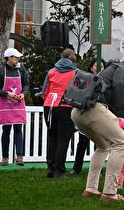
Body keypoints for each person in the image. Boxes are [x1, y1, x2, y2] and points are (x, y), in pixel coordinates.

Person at [71, 62, 124, 202]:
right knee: (122, 144)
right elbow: (120, 110)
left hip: (77, 112)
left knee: (103, 146)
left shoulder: (117, 72)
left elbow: (117, 109)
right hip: (93, 108)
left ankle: (91, 188)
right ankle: (110, 193)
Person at [42, 49, 78, 179]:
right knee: (63, 139)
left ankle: (51, 168)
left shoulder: (51, 71)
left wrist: (49, 99)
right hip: (65, 105)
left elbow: (44, 91)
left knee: (52, 137)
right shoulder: (75, 72)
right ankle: (60, 170)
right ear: (71, 58)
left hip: (49, 105)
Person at [0, 47, 30, 166]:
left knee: (18, 129)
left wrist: (23, 94)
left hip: (18, 103)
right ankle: (5, 157)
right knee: (6, 130)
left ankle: (19, 157)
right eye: (15, 57)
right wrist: (7, 94)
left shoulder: (21, 69)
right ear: (9, 58)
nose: (17, 59)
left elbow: (26, 84)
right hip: (6, 104)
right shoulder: (0, 71)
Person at [71, 59, 98, 175]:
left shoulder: (105, 81)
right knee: (82, 143)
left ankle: (98, 169)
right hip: (86, 113)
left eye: (101, 66)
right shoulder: (86, 79)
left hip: (98, 115)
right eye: (96, 66)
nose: (98, 68)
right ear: (91, 67)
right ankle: (77, 168)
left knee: (99, 144)